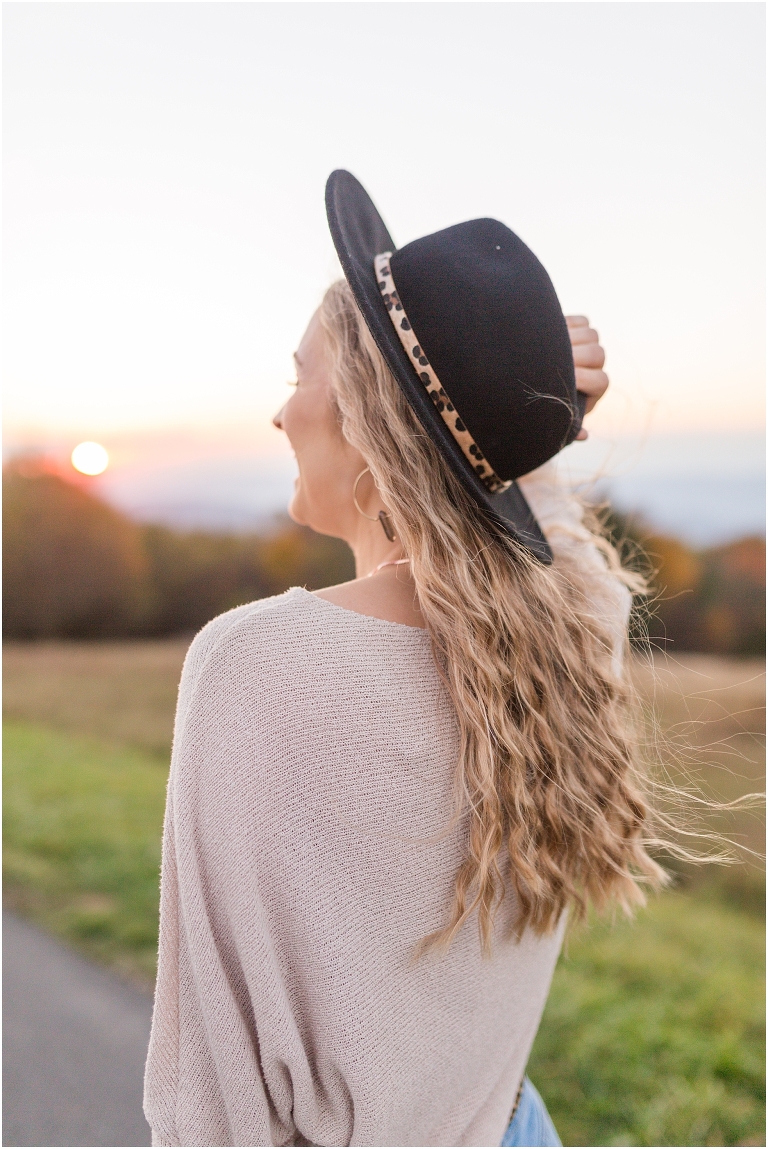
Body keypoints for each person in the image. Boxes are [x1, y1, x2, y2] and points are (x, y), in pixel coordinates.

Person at [144, 171, 665, 1147]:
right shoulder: (564, 639)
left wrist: (516, 402)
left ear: (366, 416)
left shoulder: (256, 666)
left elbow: (211, 1091)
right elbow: (552, 532)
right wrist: (516, 409)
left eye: (297, 373)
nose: (280, 412)